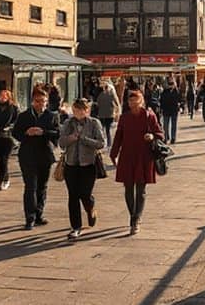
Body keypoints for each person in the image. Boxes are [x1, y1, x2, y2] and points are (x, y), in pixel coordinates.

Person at [109, 89, 164, 234]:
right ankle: (132, 215)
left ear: (141, 101)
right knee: (128, 188)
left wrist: (152, 136)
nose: (133, 103)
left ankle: (136, 218)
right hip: (127, 156)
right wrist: (113, 154)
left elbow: (160, 134)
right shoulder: (124, 118)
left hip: (144, 156)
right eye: (130, 101)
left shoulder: (149, 116)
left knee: (141, 189)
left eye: (136, 100)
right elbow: (118, 137)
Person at [12, 87, 60, 230]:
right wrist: (26, 133)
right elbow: (15, 133)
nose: (41, 104)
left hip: (45, 155)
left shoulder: (52, 116)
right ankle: (30, 218)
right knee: (30, 187)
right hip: (27, 155)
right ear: (32, 101)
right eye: (38, 101)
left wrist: (43, 132)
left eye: (43, 101)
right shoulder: (24, 116)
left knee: (42, 187)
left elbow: (57, 133)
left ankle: (39, 214)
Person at [58, 98, 106, 241]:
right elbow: (61, 143)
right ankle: (75, 227)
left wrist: (85, 140)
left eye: (80, 110)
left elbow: (101, 143)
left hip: (88, 164)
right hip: (71, 164)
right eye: (75, 110)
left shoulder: (93, 123)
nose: (77, 113)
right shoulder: (68, 123)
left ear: (86, 110)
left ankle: (90, 207)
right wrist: (71, 138)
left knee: (85, 194)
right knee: (73, 196)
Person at [0, 89, 19, 191]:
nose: (2, 98)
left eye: (4, 96)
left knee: (4, 160)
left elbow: (17, 122)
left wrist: (10, 127)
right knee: (0, 160)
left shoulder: (13, 108)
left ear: (8, 97)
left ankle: (2, 181)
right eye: (0, 96)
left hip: (8, 137)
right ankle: (4, 179)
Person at [95, 81, 120, 151]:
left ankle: (102, 143)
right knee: (108, 130)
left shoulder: (100, 95)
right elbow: (116, 103)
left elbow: (98, 104)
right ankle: (109, 144)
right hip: (110, 114)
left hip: (101, 114)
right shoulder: (111, 95)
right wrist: (116, 110)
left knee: (101, 129)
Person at [159, 81, 182, 145]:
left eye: (172, 85)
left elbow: (179, 100)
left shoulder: (176, 91)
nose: (171, 86)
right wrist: (161, 109)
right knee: (165, 126)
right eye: (170, 85)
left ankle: (173, 138)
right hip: (166, 110)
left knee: (173, 125)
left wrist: (179, 105)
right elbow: (161, 101)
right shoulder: (164, 92)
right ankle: (166, 138)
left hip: (174, 110)